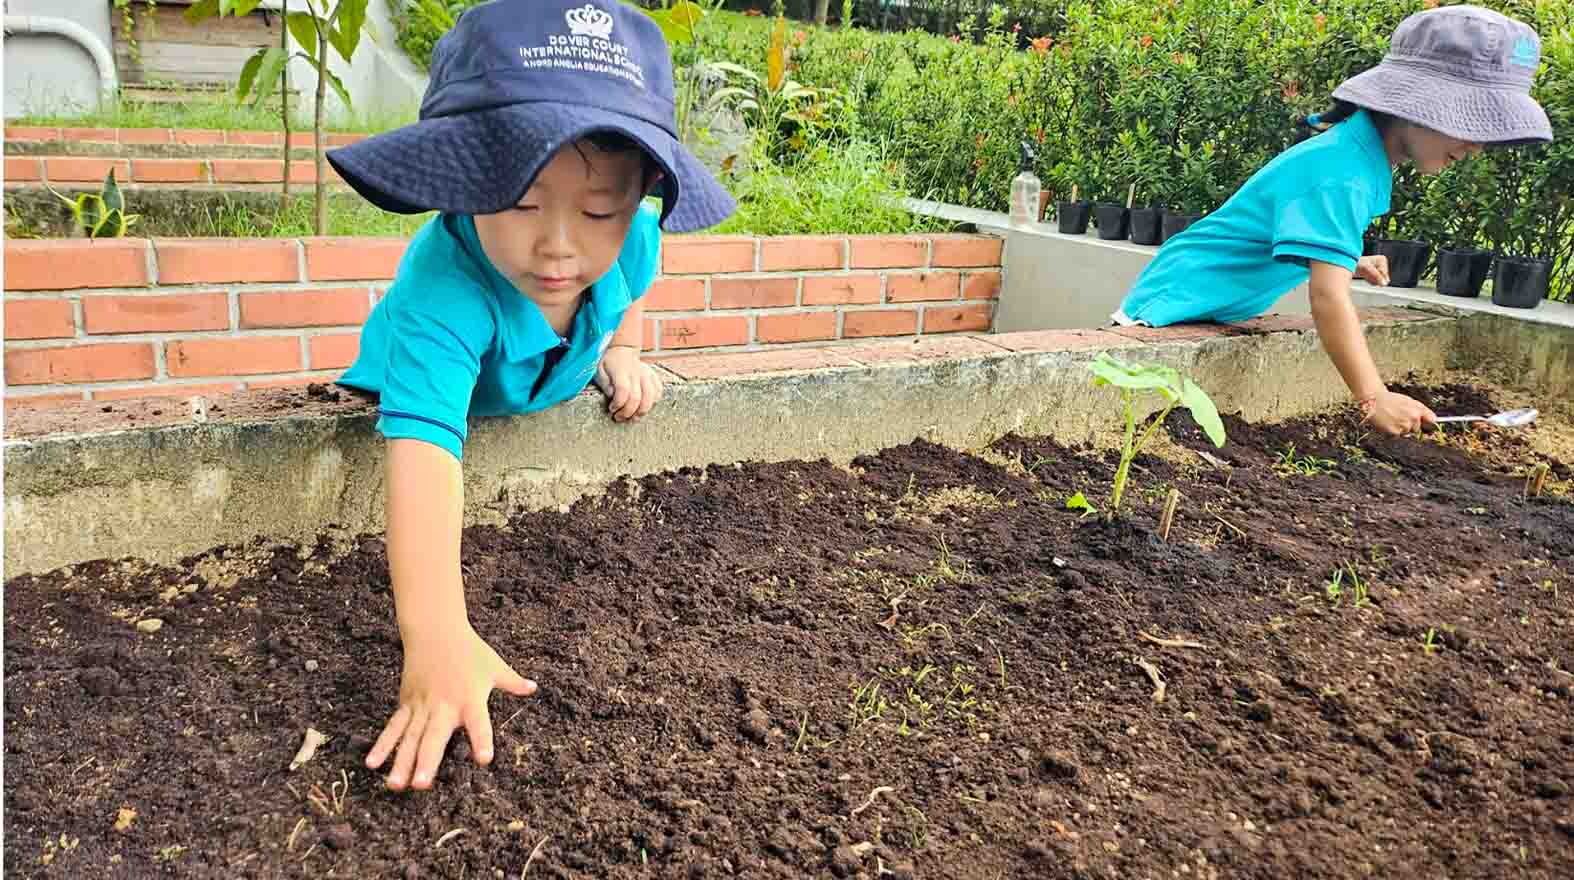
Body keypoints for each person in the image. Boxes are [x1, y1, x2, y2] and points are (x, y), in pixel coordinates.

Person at [323, 0, 735, 791]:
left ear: (641, 195)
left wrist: (624, 349)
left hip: (548, 375)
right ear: (460, 179)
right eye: (518, 200)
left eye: (599, 209)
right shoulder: (442, 295)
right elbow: (423, 454)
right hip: (445, 395)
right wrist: (437, 639)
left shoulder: (632, 240)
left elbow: (637, 274)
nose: (557, 246)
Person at [1112, 5, 1552, 436]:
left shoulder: (1358, 157)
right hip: (1175, 300)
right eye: (1469, 122)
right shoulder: (1342, 170)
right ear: (1414, 103)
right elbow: (1327, 297)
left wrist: (1345, 262)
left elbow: (1281, 233)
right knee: (1128, 418)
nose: (1476, 146)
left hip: (1208, 300)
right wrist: (1374, 397)